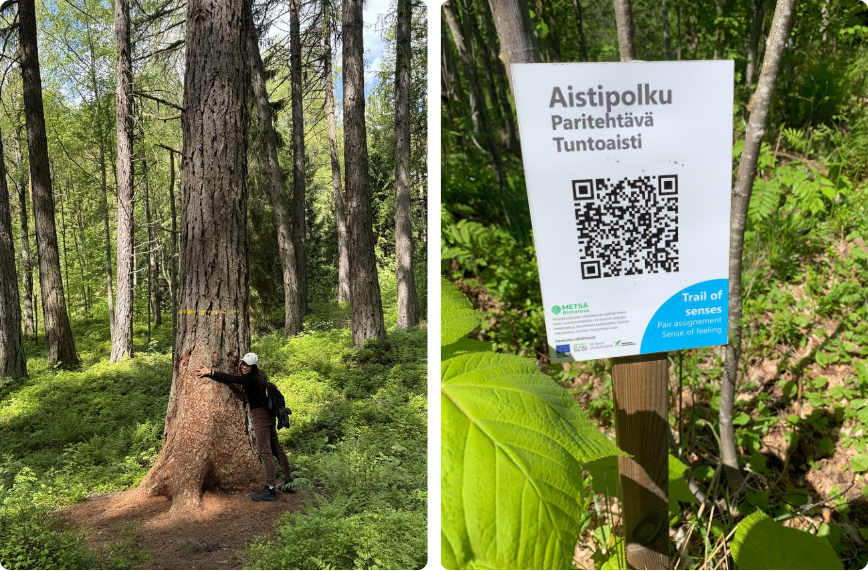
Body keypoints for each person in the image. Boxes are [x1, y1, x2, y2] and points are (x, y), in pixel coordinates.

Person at [194, 353, 293, 502]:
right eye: (243, 364)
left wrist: (210, 372)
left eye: (247, 365)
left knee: (265, 452)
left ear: (254, 366)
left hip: (261, 417)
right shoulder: (260, 375)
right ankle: (289, 482)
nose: (244, 367)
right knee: (276, 449)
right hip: (268, 415)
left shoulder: (250, 378)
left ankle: (270, 489)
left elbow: (232, 379)